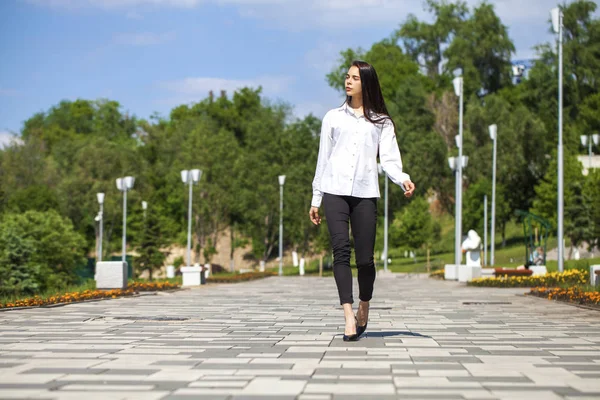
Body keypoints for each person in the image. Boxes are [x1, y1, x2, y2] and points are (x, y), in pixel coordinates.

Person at [308, 60, 415, 341]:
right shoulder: (332, 118)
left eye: (355, 78)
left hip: (366, 193)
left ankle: (364, 306)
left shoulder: (381, 122)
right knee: (340, 251)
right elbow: (323, 160)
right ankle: (348, 316)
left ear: (366, 83)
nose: (348, 81)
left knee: (365, 260)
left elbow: (390, 159)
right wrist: (316, 198)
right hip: (334, 191)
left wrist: (402, 178)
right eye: (347, 77)